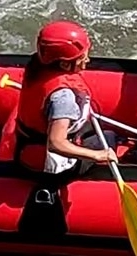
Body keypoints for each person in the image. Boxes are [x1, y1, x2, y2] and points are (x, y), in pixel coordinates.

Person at [11, 21, 116, 177]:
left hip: (28, 145)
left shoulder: (37, 66)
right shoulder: (63, 97)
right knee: (110, 137)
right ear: (64, 65)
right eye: (82, 57)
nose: (87, 60)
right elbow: (56, 144)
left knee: (93, 128)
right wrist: (99, 155)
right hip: (50, 164)